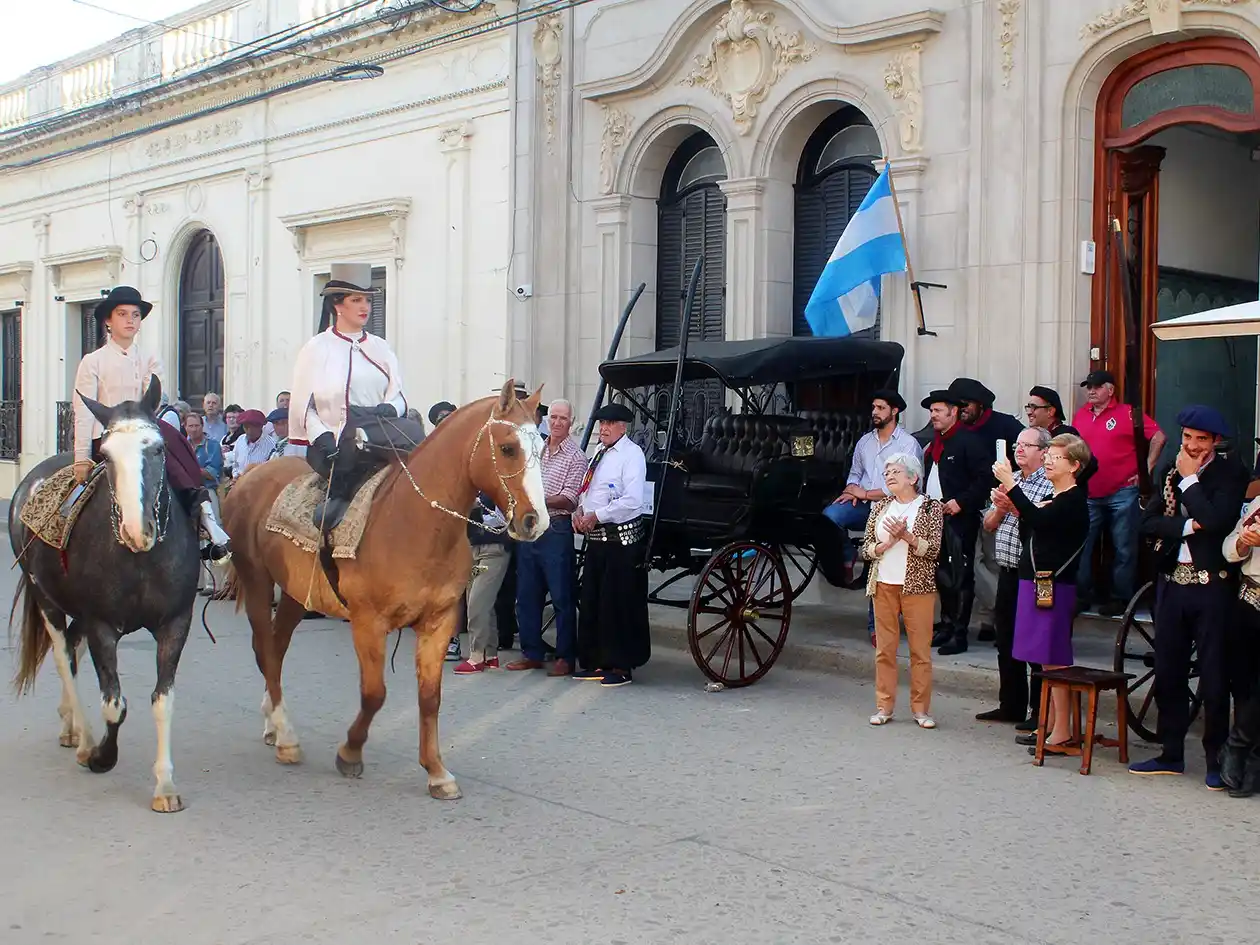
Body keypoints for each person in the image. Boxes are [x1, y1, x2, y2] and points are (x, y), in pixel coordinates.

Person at [1130, 406, 1248, 787]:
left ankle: (1216, 759)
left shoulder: (1229, 473)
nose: (1192, 446)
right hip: (1173, 584)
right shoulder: (1169, 468)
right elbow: (1147, 522)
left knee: (1214, 677)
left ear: (1215, 442)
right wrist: (1187, 524)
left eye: (1201, 439)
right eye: (1187, 438)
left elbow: (1218, 521)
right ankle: (1171, 753)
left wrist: (1190, 482)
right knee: (1168, 670)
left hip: (1213, 586)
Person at [71, 285, 231, 561]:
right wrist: (81, 456)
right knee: (84, 493)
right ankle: (65, 539)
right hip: (111, 434)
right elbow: (84, 411)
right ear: (108, 321)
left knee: (179, 455)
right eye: (122, 314)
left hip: (143, 429)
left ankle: (205, 522)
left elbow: (154, 398)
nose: (130, 320)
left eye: (135, 315)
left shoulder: (149, 358)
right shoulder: (92, 361)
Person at [288, 263, 422, 535]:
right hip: (337, 432)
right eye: (356, 300)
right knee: (354, 441)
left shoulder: (380, 346)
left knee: (417, 434)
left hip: (379, 423)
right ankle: (338, 498)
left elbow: (398, 393)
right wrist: (321, 436)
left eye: (368, 301)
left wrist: (389, 407)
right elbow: (305, 405)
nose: (365, 307)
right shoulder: (316, 348)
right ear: (338, 305)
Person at [993, 434, 1091, 753]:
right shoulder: (1053, 496)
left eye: (1057, 457)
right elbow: (1032, 528)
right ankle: (1049, 724)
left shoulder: (1074, 499)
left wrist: (1011, 483)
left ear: (1075, 466)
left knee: (1054, 660)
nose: (1048, 460)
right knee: (1045, 661)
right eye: (1047, 454)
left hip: (1054, 585)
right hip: (1034, 582)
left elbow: (1039, 521)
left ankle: (1062, 731)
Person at [976, 426, 1053, 727]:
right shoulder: (1012, 480)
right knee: (1005, 639)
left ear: (1044, 451)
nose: (1019, 450)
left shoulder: (1048, 482)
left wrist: (1016, 506)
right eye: (1017, 445)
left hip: (1034, 575)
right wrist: (999, 508)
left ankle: (1039, 711)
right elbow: (988, 524)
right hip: (1006, 571)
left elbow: (1042, 522)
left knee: (1034, 642)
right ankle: (1011, 705)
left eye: (1027, 445)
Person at [1072, 370, 1166, 616]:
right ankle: (1081, 595)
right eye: (1088, 386)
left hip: (1123, 490)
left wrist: (1146, 469)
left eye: (1096, 386)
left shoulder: (1127, 413)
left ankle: (1120, 598)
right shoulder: (1081, 415)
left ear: (1110, 390)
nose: (1090, 391)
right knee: (1081, 544)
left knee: (1124, 546)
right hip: (1089, 491)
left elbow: (1158, 436)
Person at [860, 452, 943, 729]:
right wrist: (883, 546)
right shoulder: (881, 506)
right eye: (886, 473)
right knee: (885, 650)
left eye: (895, 471)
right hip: (883, 584)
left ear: (913, 477)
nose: (889, 477)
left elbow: (933, 550)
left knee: (920, 651)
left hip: (917, 587)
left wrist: (906, 536)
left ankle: (921, 710)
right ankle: (884, 706)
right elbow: (866, 548)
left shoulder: (930, 507)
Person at [508, 398, 587, 676]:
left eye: (562, 419)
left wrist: (536, 498)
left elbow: (569, 500)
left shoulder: (576, 457)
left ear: (570, 423)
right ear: (547, 419)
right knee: (527, 595)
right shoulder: (536, 450)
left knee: (562, 596)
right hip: (531, 529)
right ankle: (532, 652)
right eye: (553, 417)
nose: (556, 423)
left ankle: (566, 657)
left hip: (556, 530)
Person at [574, 402, 649, 687]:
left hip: (621, 539)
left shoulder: (632, 455)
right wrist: (580, 511)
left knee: (616, 603)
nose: (603, 428)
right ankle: (595, 661)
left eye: (609, 424)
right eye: (601, 423)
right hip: (597, 538)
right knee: (593, 599)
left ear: (623, 427)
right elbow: (589, 488)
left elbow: (632, 499)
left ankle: (620, 666)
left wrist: (598, 515)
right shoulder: (599, 452)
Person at [947, 377, 1024, 650]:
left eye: (965, 404)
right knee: (975, 565)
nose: (961, 409)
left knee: (992, 562)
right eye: (956, 405)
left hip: (1000, 503)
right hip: (968, 505)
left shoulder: (1007, 425)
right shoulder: (956, 430)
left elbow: (1028, 455)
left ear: (980, 404)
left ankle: (995, 620)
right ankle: (992, 616)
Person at [824, 389, 922, 589]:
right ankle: (847, 554)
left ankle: (873, 579)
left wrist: (866, 493)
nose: (875, 412)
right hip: (862, 505)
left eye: (880, 408)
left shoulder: (908, 444)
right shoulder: (865, 442)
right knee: (829, 516)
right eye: (873, 408)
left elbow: (906, 485)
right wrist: (850, 491)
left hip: (893, 509)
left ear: (894, 412)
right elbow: (855, 473)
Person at [920, 390, 992, 656]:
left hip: (959, 519)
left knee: (961, 576)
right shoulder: (936, 443)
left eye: (938, 410)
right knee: (942, 575)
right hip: (935, 517)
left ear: (954, 412)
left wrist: (960, 502)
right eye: (931, 411)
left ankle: (960, 633)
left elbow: (985, 479)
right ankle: (948, 625)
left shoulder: (968, 441)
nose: (933, 415)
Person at [1219, 497, 1260, 798]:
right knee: (1244, 683)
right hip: (1249, 599)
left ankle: (1239, 748)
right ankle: (1247, 756)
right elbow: (1230, 548)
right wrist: (1244, 544)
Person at [454, 495, 513, 674]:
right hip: (473, 550)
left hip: (493, 551)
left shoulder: (498, 484)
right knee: (482, 599)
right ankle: (490, 654)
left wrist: (475, 509)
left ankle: (476, 656)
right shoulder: (473, 485)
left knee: (477, 601)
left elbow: (502, 521)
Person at [231, 409, 276, 479]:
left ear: (260, 426)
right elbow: (235, 464)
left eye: (253, 427)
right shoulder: (240, 440)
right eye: (246, 427)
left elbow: (271, 472)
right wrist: (236, 476)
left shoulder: (272, 445)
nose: (249, 430)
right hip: (239, 482)